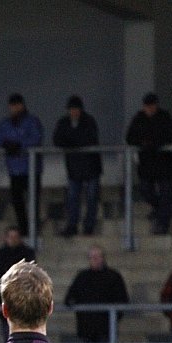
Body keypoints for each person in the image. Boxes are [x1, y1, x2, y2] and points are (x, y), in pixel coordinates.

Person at [0, 93, 44, 236]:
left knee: (33, 201)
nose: (15, 108)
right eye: (12, 105)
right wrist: (8, 144)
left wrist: (18, 144)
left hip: (31, 169)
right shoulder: (5, 123)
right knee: (18, 202)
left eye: (17, 105)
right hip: (14, 169)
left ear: (22, 105)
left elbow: (36, 139)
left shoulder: (32, 121)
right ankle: (24, 228)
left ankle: (33, 228)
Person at [126, 92, 172, 234]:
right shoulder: (139, 118)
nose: (149, 109)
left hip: (165, 164)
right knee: (146, 189)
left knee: (166, 193)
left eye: (151, 106)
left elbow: (170, 135)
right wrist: (145, 142)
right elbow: (130, 137)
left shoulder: (164, 117)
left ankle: (163, 224)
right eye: (147, 106)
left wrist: (151, 142)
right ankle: (160, 211)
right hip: (147, 164)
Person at [53, 96, 103, 237]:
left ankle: (89, 225)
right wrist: (73, 141)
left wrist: (71, 141)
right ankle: (72, 225)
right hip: (74, 168)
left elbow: (88, 139)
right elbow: (57, 139)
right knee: (73, 198)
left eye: (76, 109)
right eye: (72, 109)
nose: (74, 112)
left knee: (91, 198)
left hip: (90, 166)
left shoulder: (89, 121)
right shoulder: (64, 122)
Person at [64, 246, 129, 343]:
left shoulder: (113, 277)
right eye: (91, 257)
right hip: (86, 329)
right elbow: (70, 297)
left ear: (103, 258)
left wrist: (113, 318)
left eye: (96, 257)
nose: (94, 260)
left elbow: (122, 300)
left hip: (106, 329)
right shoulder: (82, 277)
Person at [0, 226, 35, 340]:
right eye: (10, 237)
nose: (13, 239)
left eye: (15, 237)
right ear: (5, 238)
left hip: (24, 298)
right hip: (6, 298)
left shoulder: (28, 253)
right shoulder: (0, 254)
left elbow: (29, 271)